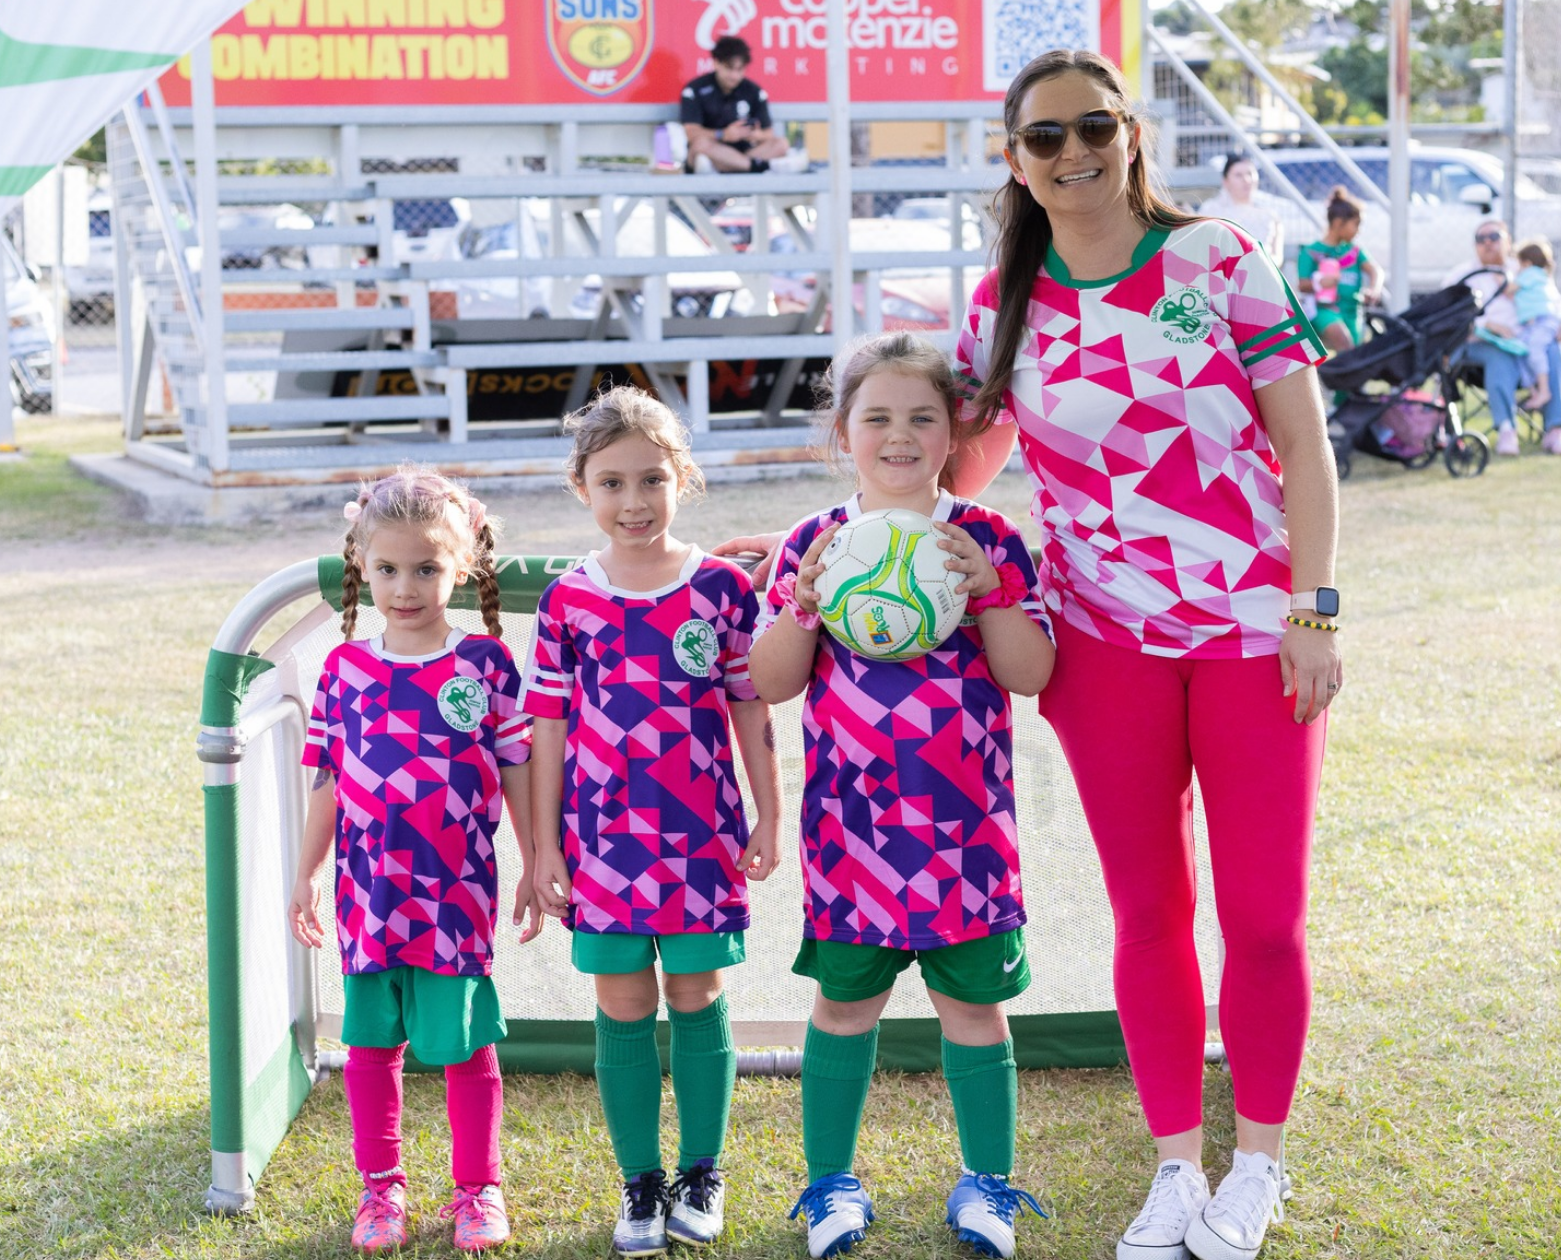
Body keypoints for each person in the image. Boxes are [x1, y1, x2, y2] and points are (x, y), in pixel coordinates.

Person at [717, 48, 1343, 1260]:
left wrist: (1314, 612)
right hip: (1102, 646)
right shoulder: (1002, 305)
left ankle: (1253, 1164)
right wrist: (850, 542)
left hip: (1252, 635)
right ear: (1012, 160)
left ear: (1129, 133)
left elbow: (1305, 451)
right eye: (1042, 138)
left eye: (1090, 128)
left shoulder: (1218, 261)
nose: (1071, 154)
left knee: (1263, 919)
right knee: (1147, 911)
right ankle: (1173, 1170)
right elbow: (949, 462)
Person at [748, 332, 1056, 1260]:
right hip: (853, 833)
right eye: (876, 416)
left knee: (975, 1012)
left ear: (955, 427)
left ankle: (988, 1186)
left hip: (966, 834)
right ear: (843, 432)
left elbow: (1033, 671)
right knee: (844, 1009)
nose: (900, 434)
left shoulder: (989, 536)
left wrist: (992, 591)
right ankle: (831, 1185)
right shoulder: (816, 543)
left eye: (923, 416)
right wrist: (802, 602)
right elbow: (769, 683)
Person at [520, 388, 783, 1255]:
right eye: (611, 483)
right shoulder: (568, 603)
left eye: (651, 480)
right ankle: (639, 1180)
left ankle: (701, 1170)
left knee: (697, 993)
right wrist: (547, 842)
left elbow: (750, 708)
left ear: (684, 479)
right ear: (582, 489)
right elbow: (547, 729)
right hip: (603, 844)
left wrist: (770, 812)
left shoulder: (718, 590)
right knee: (623, 1001)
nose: (633, 502)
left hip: (703, 839)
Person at [289, 465, 537, 1255]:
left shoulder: (487, 667)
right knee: (370, 1048)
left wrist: (538, 861)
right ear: (361, 562)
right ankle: (381, 1191)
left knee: (465, 1045)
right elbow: (329, 781)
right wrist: (305, 871)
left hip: (455, 898)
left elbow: (521, 771)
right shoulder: (344, 671)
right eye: (389, 568)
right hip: (370, 898)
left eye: (427, 568)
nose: (406, 587)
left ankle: (478, 1190)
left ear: (460, 567)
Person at [1448, 219, 1561, 456]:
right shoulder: (1462, 275)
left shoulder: (1526, 269)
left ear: (1508, 240)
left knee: (1555, 349)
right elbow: (1448, 317)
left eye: (1494, 237)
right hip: (1484, 345)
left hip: (1529, 341)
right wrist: (1487, 324)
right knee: (1501, 355)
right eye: (1480, 239)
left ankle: (1555, 431)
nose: (1487, 243)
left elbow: (1555, 304)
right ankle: (1507, 430)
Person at [680, 37, 798, 174]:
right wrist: (723, 134)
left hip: (743, 153)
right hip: (712, 153)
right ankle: (761, 166)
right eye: (729, 69)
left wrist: (754, 135)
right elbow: (691, 133)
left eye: (740, 70)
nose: (734, 76)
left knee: (781, 144)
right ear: (716, 63)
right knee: (701, 145)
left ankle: (736, 165)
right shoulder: (696, 89)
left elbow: (768, 133)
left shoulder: (753, 91)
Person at [1296, 186, 1382, 353]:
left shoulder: (1354, 251)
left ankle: (1335, 378)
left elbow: (1374, 270)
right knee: (1344, 342)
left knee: (1354, 355)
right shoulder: (1312, 251)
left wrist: (1374, 289)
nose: (1359, 230)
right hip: (1324, 310)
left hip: (1352, 311)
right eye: (1356, 224)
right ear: (1338, 223)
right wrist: (1320, 283)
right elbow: (1302, 284)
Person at [1508, 239, 1561, 412]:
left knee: (1535, 350)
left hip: (1543, 321)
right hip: (1531, 325)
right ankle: (1534, 390)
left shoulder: (1530, 273)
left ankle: (1544, 390)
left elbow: (1508, 290)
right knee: (1520, 351)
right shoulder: (1541, 278)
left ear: (1527, 262)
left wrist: (1500, 280)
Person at [1196, 153, 1286, 259]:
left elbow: (1277, 257)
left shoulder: (1270, 214)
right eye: (1238, 175)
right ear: (1225, 181)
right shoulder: (1210, 211)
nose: (1246, 180)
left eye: (1250, 173)